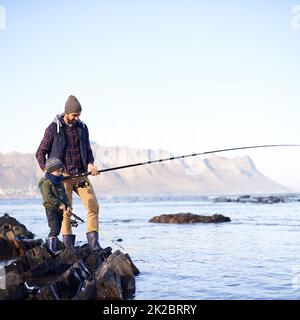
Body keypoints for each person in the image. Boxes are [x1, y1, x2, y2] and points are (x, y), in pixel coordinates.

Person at [36, 95, 102, 251]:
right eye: (74, 115)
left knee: (93, 206)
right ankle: (68, 247)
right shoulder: (53, 129)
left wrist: (91, 164)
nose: (77, 118)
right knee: (66, 210)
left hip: (81, 175)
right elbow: (40, 153)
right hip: (62, 178)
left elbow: (87, 149)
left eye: (79, 115)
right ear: (67, 112)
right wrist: (49, 171)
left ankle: (94, 244)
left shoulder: (82, 127)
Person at [38, 157, 71, 253]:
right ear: (51, 171)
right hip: (51, 209)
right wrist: (59, 203)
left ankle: (53, 247)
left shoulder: (59, 181)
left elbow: (64, 195)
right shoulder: (46, 182)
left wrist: (67, 205)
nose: (60, 173)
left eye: (61, 171)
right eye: (57, 171)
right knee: (54, 229)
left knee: (58, 228)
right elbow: (48, 197)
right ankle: (51, 249)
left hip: (59, 209)